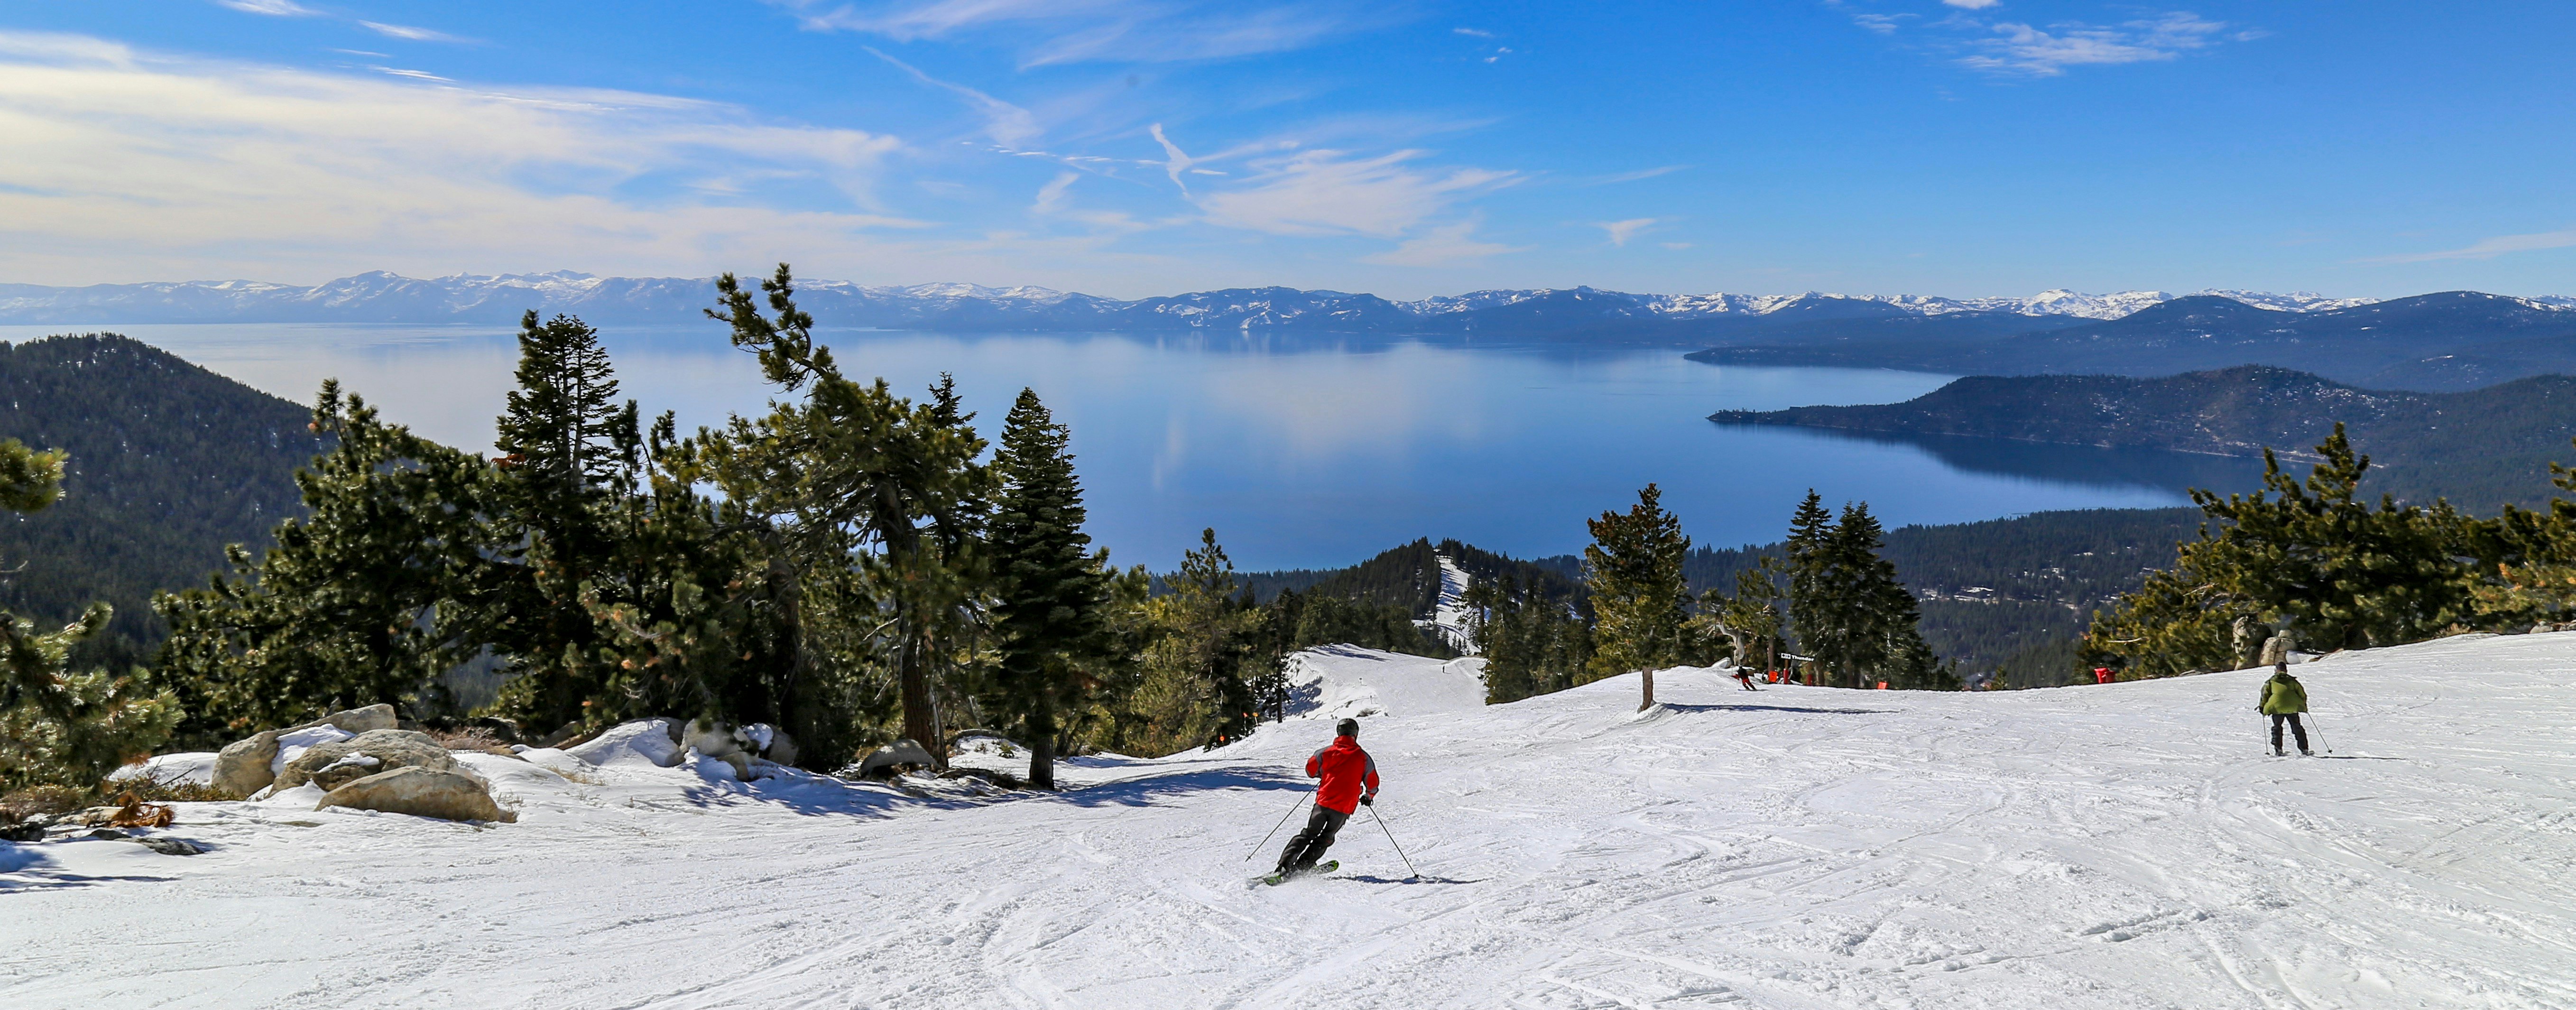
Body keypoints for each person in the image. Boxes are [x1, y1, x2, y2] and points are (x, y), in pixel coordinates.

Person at [1274, 717, 1379, 879]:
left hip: (1324, 802)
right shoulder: (1364, 758)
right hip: (1344, 807)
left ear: (1339, 733)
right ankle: (1304, 866)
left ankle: (1284, 867)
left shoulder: (1325, 752)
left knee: (1308, 834)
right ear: (1356, 735)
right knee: (1326, 837)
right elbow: (1372, 782)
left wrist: (1323, 774)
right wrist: (1368, 796)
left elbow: (1310, 770)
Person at [2258, 663, 2311, 756]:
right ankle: (2304, 750)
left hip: (2276, 707)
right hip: (2292, 707)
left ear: (2276, 671)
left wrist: (2262, 707)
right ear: (2286, 670)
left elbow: (2265, 695)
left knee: (2277, 727)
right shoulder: (2292, 681)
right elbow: (2302, 694)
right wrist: (2302, 705)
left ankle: (2278, 750)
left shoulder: (2271, 682)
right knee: (2297, 727)